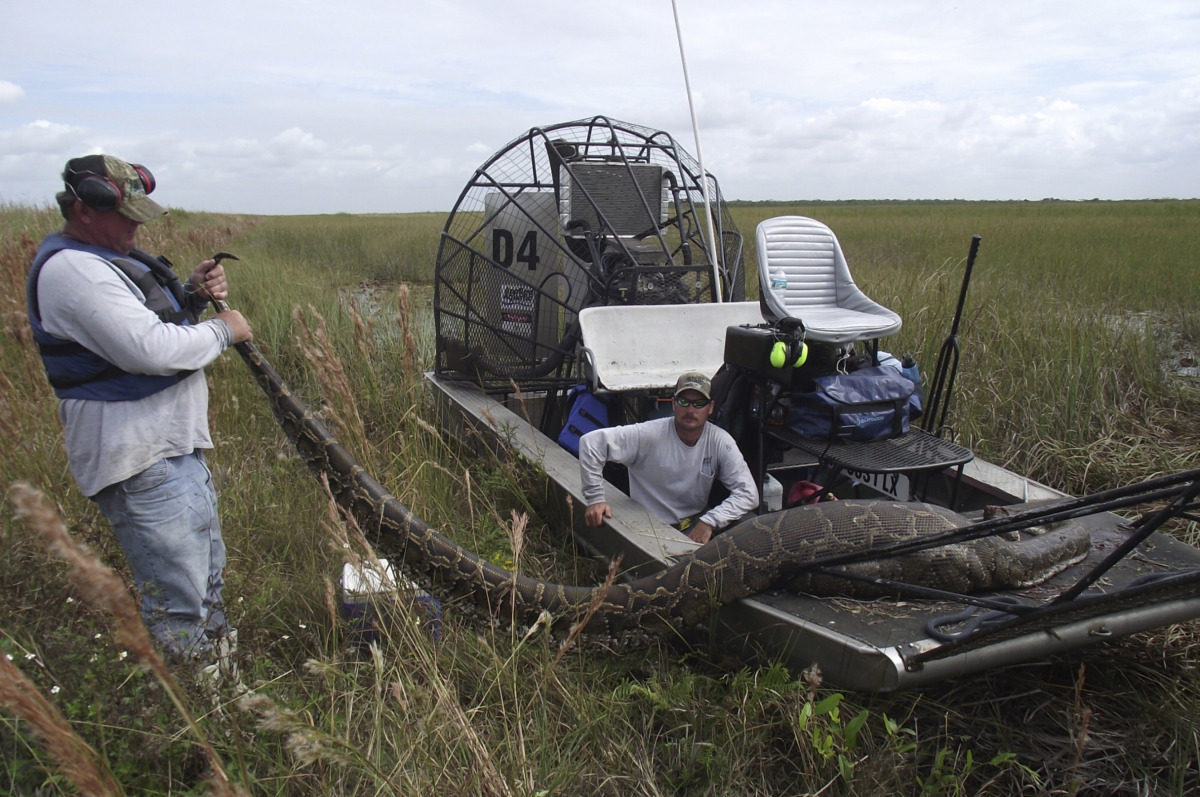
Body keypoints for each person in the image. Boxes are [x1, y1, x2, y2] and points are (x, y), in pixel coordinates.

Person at [26, 154, 252, 666]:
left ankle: (223, 687)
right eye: (125, 216)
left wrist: (192, 297)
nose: (134, 227)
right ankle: (201, 717)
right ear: (84, 208)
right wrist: (223, 330)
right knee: (181, 601)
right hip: (139, 459)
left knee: (207, 578)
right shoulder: (73, 271)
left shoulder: (100, 258)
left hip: (170, 450)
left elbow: (151, 327)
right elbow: (149, 351)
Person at [578, 371, 759, 544]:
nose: (690, 409)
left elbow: (749, 494)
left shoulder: (720, 441)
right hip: (646, 527)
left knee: (752, 524)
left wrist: (710, 521)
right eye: (683, 401)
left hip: (695, 525)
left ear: (710, 407)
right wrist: (595, 499)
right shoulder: (649, 434)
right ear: (673, 404)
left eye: (699, 403)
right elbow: (590, 443)